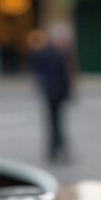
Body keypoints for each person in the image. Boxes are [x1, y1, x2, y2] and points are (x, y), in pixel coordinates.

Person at [29, 26, 74, 163]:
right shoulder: (62, 54)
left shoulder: (43, 52)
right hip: (58, 92)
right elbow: (66, 76)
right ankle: (59, 148)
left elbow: (38, 73)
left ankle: (53, 150)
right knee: (57, 122)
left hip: (49, 92)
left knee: (52, 121)